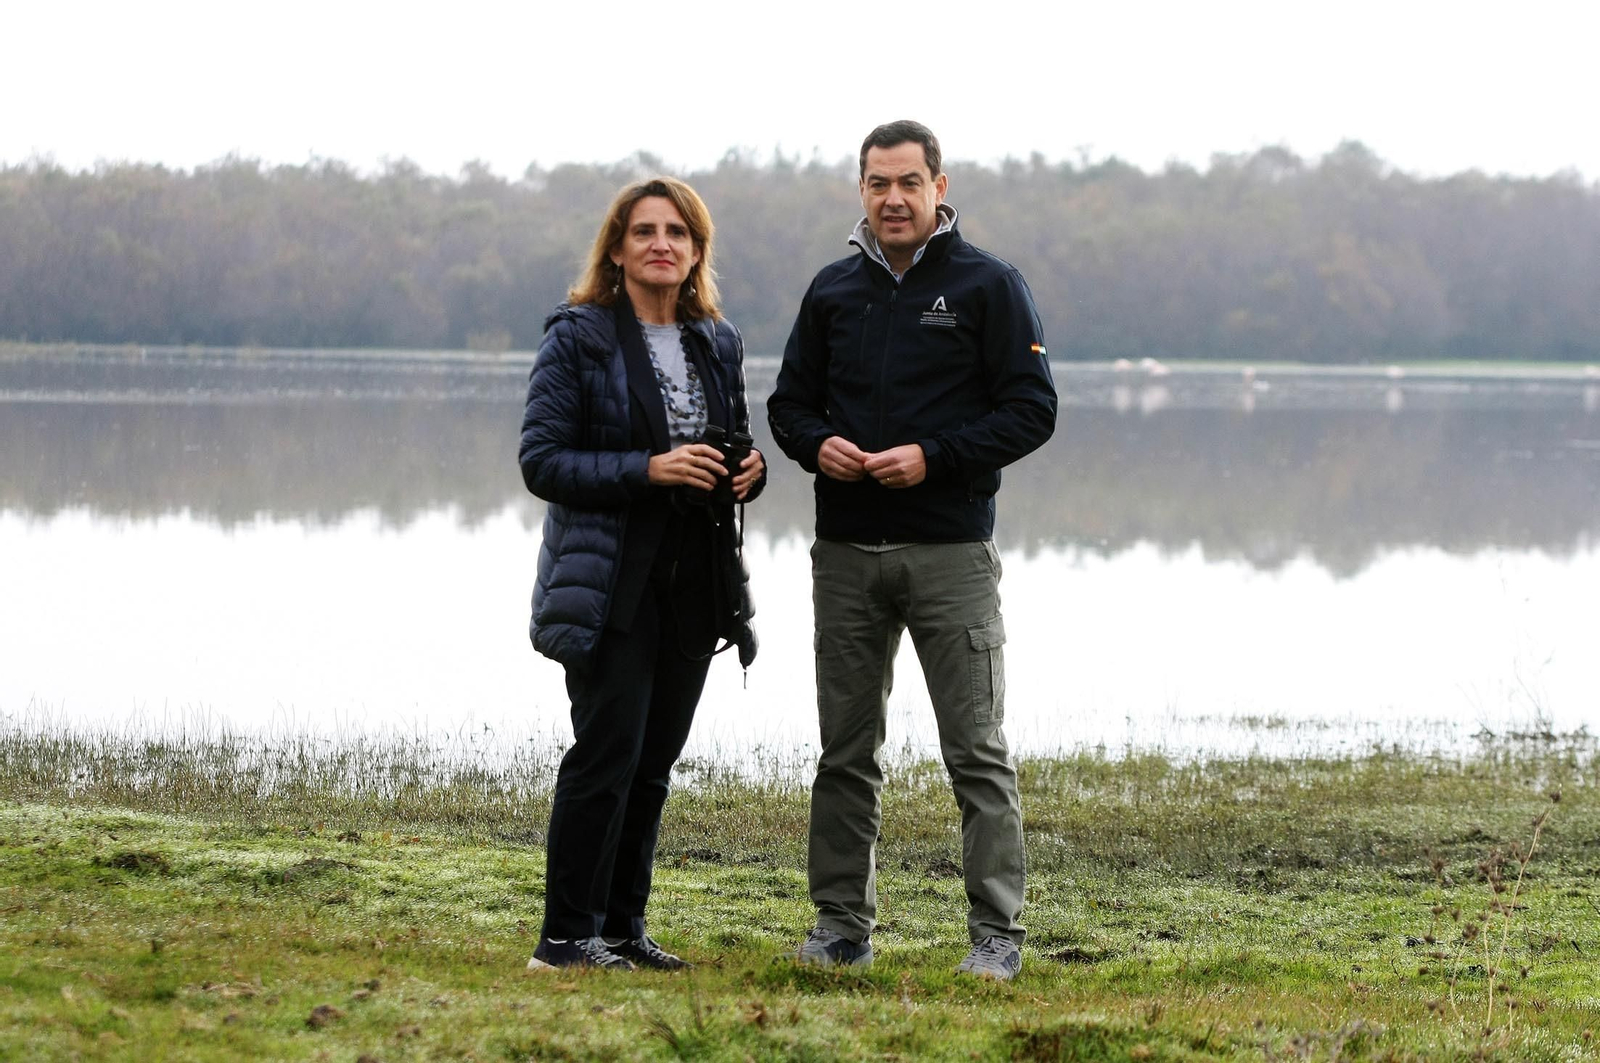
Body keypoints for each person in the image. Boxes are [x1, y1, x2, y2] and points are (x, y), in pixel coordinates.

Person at [768, 120, 1057, 981]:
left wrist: (934, 457)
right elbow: (788, 406)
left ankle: (995, 935)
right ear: (861, 191)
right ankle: (840, 925)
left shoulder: (988, 285)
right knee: (844, 751)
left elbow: (1031, 411)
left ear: (939, 187)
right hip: (845, 553)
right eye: (876, 183)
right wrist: (815, 444)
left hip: (950, 553)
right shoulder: (832, 290)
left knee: (976, 749)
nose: (892, 198)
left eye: (907, 182)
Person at [519, 176, 764, 971]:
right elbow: (543, 461)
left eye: (678, 233)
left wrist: (749, 471)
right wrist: (650, 468)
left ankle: (622, 929)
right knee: (606, 755)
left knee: (654, 762)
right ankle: (565, 937)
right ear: (617, 249)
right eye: (645, 232)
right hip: (609, 580)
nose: (662, 244)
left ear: (697, 252)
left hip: (695, 583)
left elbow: (737, 445)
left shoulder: (717, 340)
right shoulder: (579, 335)